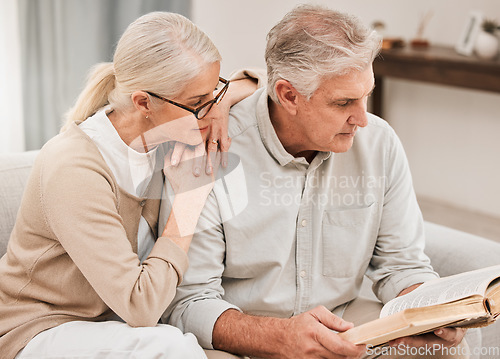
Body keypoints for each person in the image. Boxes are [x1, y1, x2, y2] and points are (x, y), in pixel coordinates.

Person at [163, 5, 469, 359]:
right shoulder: (207, 154)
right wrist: (280, 337)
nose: (362, 119)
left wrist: (428, 309)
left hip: (346, 325)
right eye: (343, 103)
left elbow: (402, 264)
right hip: (244, 336)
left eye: (365, 95)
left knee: (441, 351)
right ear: (289, 95)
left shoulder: (379, 144)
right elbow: (190, 302)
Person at [0, 12, 256, 359]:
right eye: (199, 103)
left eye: (215, 92)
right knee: (169, 348)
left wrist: (222, 100)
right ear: (143, 103)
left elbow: (258, 82)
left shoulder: (164, 134)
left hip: (111, 325)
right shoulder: (75, 167)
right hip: (39, 330)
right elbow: (140, 307)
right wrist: (189, 201)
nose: (210, 112)